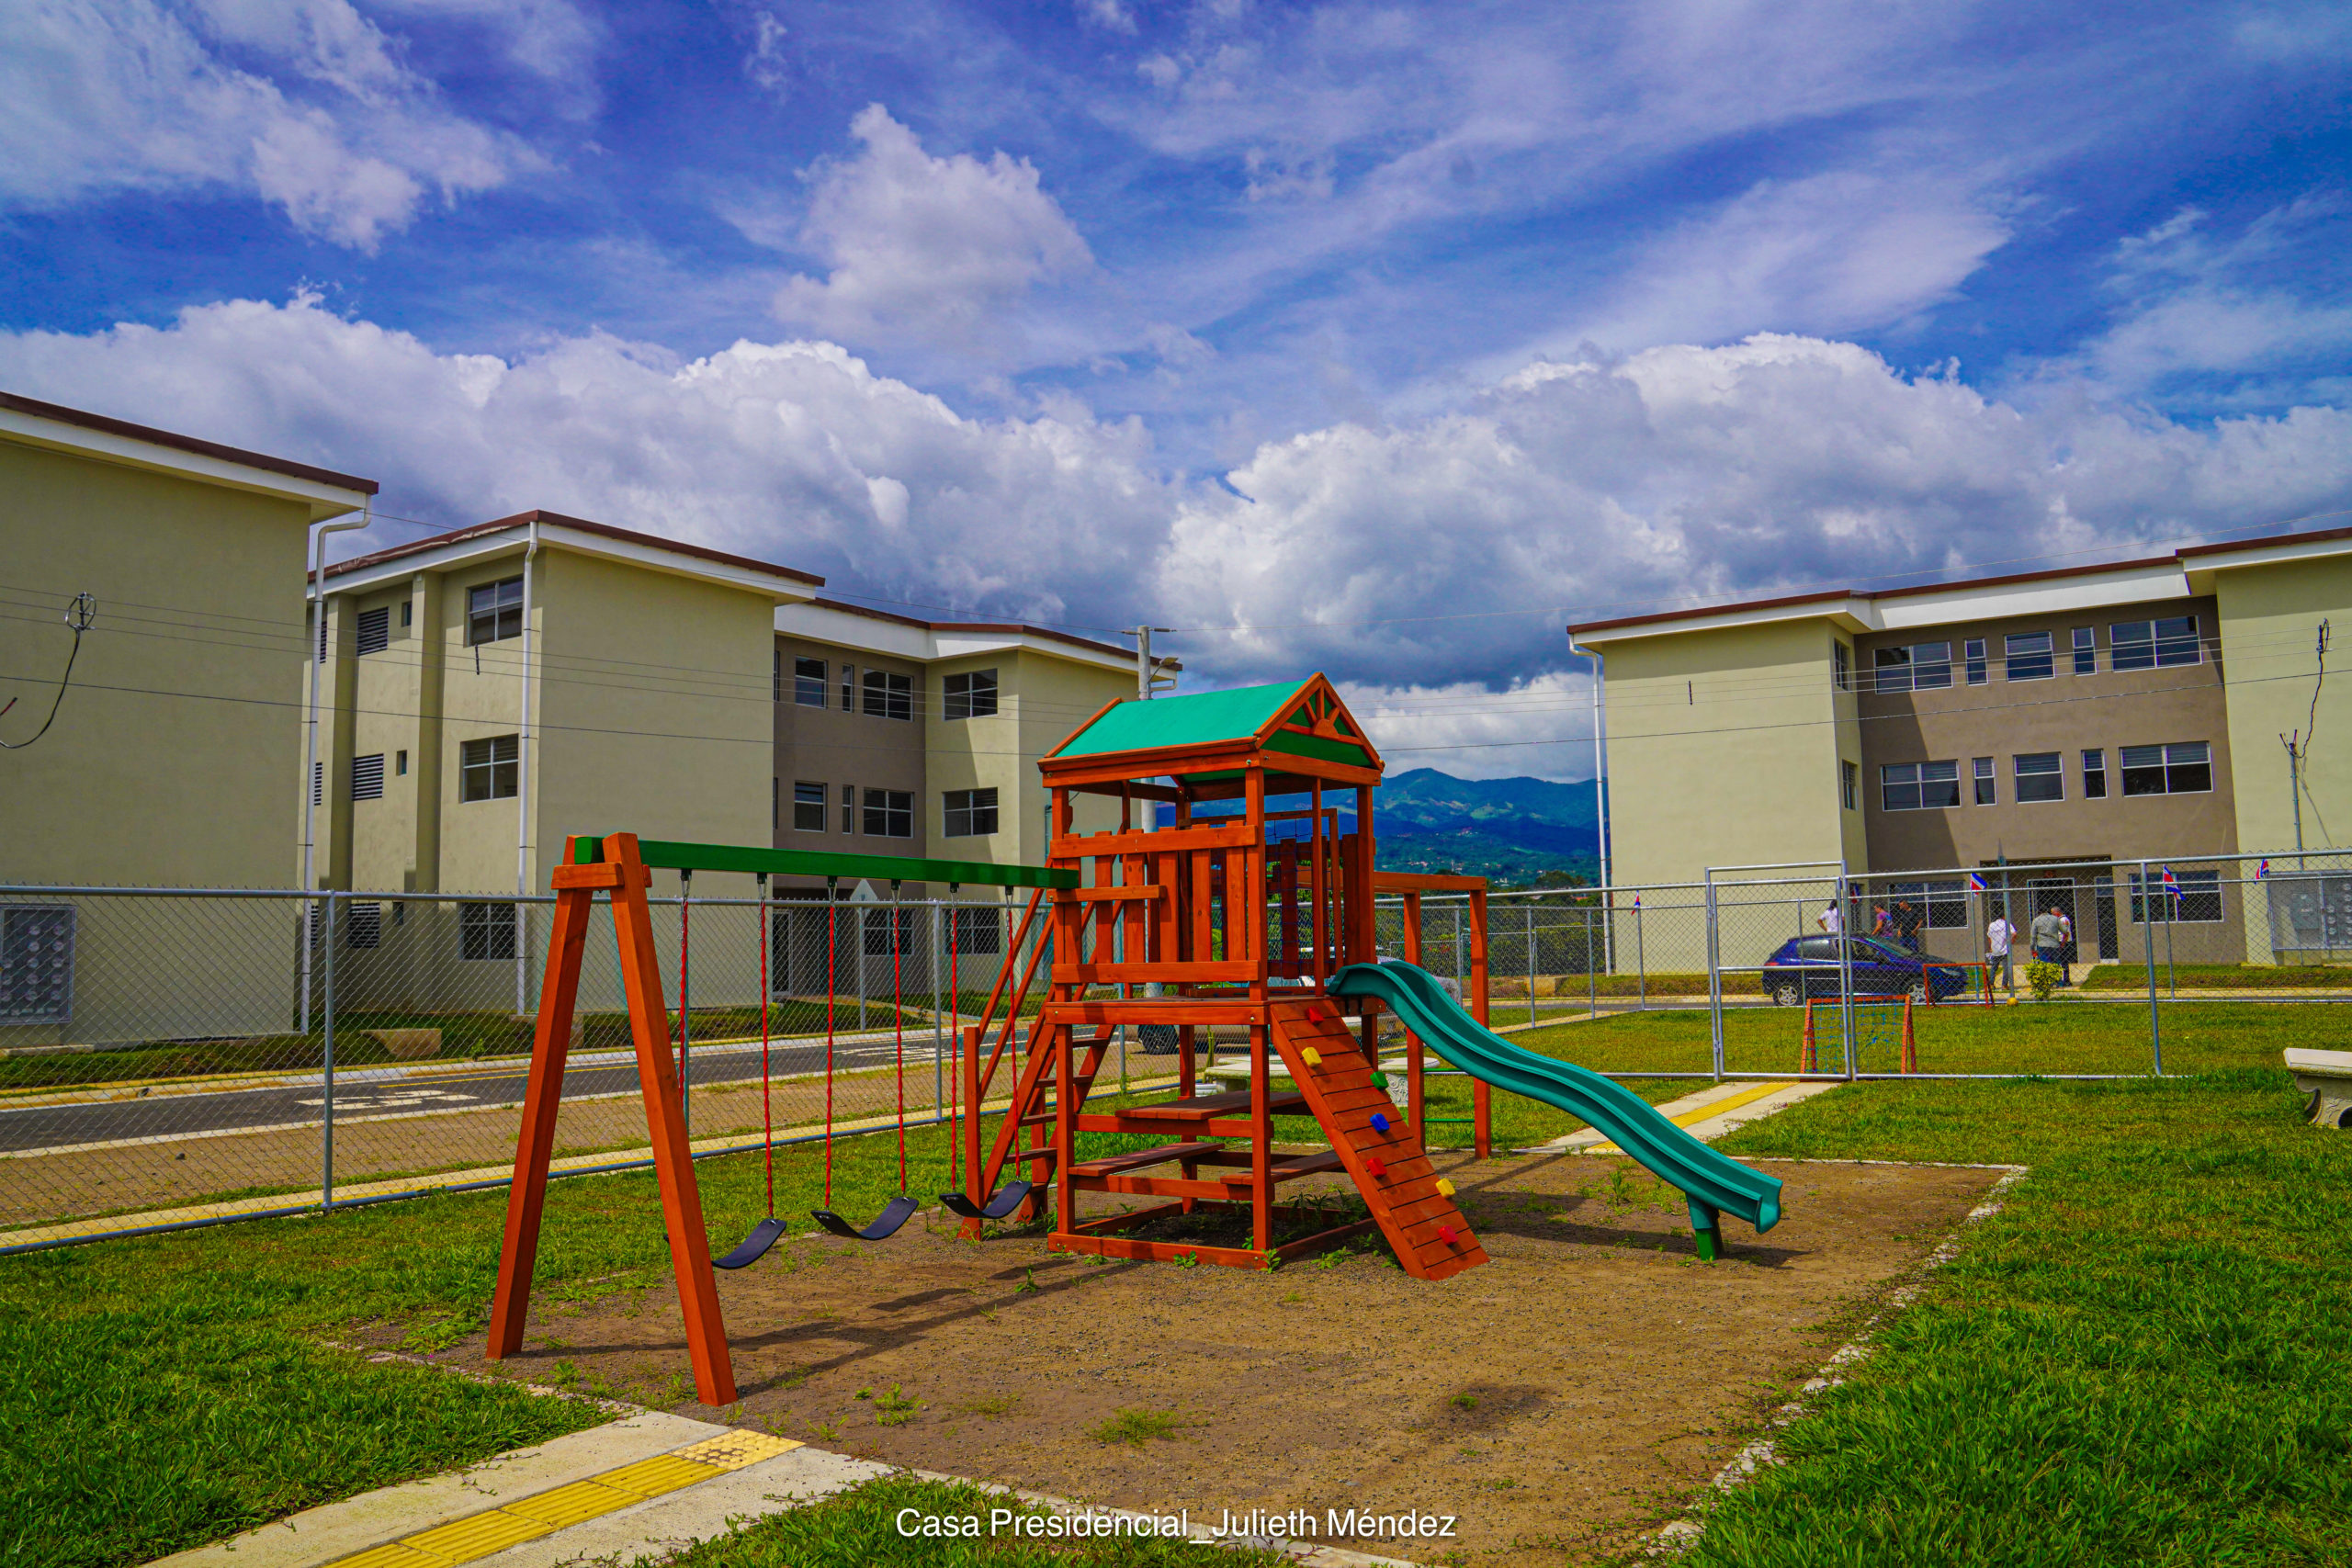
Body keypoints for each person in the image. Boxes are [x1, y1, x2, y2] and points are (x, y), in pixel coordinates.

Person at [2030, 905, 2069, 986]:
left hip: (2042, 944)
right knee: (2056, 963)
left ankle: (2048, 983)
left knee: (2045, 963)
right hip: (2054, 944)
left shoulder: (2036, 920)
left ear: (2039, 913)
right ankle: (2059, 982)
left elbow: (2033, 936)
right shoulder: (2055, 919)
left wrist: (2032, 947)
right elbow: (2065, 931)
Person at [1985, 910, 2016, 993]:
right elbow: (2014, 933)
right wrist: (2010, 942)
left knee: (1994, 967)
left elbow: (1989, 937)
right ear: (2003, 917)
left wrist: (1991, 947)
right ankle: (2004, 985)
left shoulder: (1991, 925)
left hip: (1995, 949)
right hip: (2005, 949)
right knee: (2006, 967)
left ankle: (1991, 984)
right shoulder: (2006, 924)